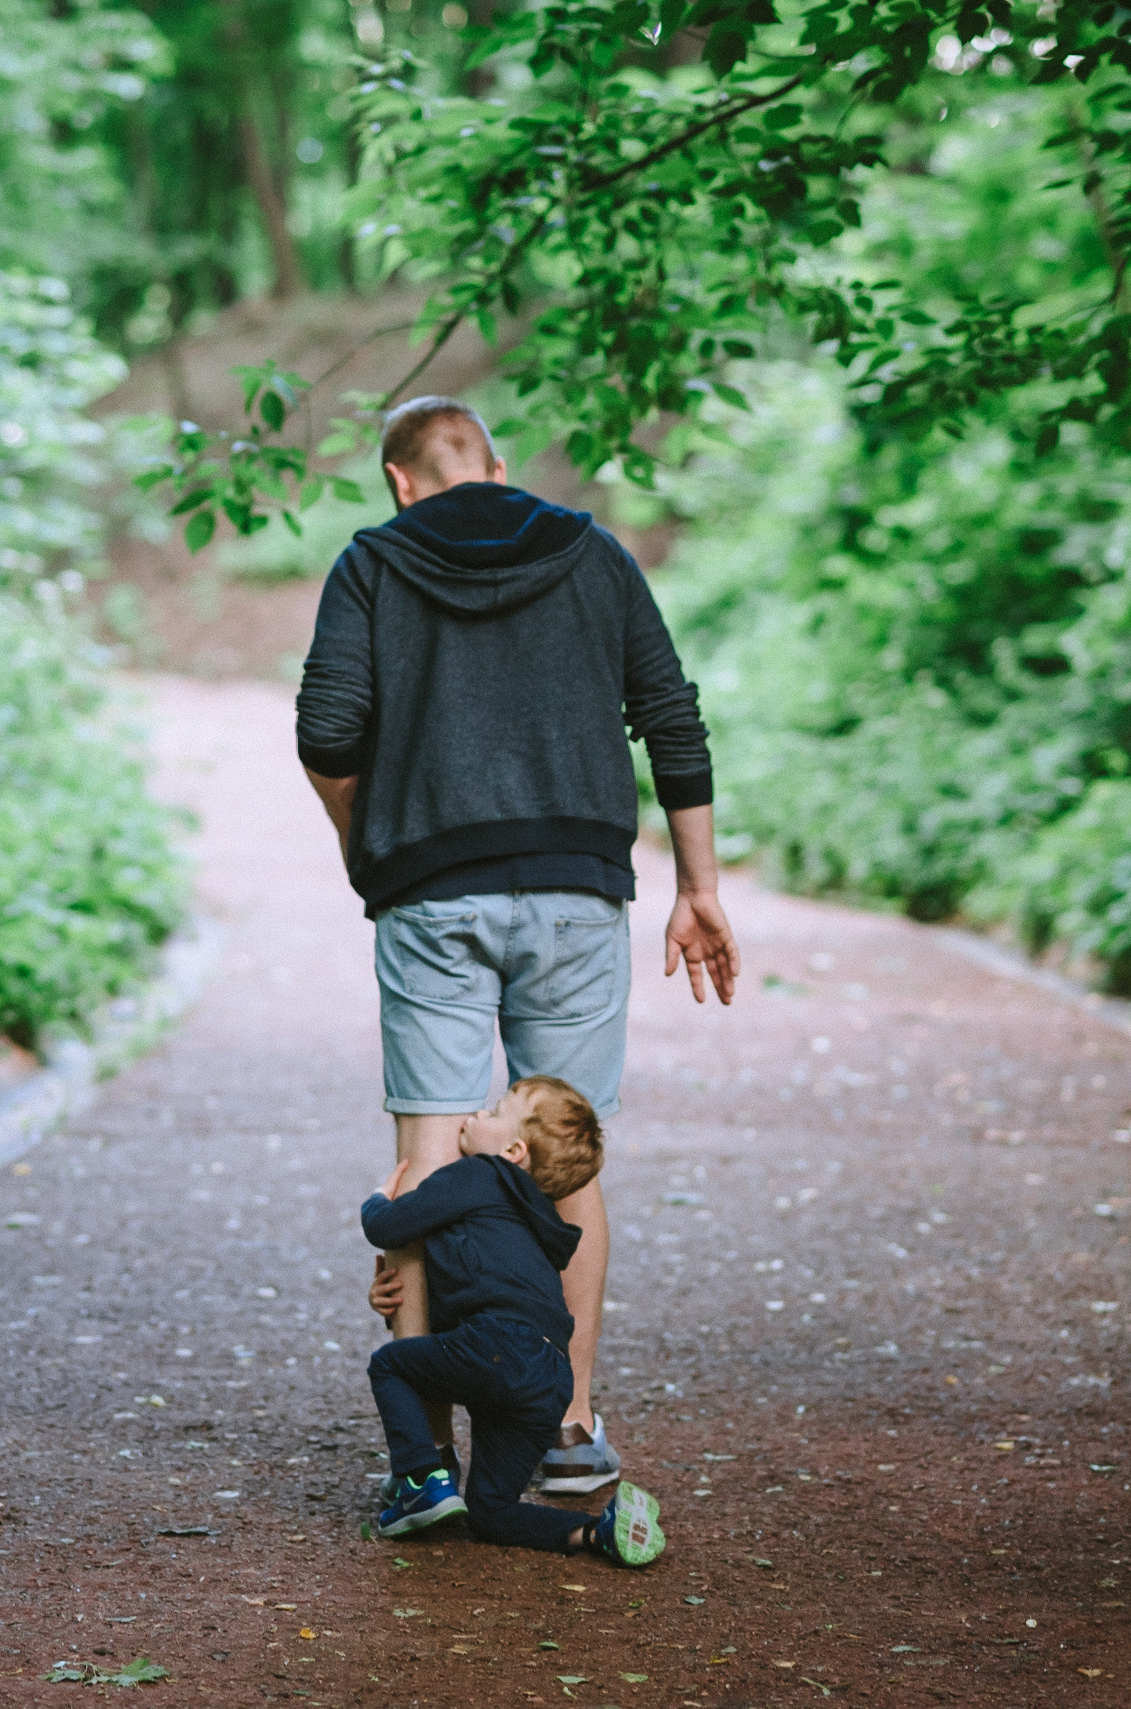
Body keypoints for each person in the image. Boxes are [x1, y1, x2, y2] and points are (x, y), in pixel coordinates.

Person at [297, 394, 740, 1490]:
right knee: (564, 1161)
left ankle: (427, 1465)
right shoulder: (594, 554)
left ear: (400, 480)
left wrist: (369, 848)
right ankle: (568, 1424)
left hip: (431, 898)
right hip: (578, 892)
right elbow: (671, 719)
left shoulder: (372, 562)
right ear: (494, 465)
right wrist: (699, 887)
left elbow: (324, 731)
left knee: (429, 1157)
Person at [360, 1076, 665, 1564]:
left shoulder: (481, 1175)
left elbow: (386, 1226)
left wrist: (378, 1198)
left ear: (513, 1149)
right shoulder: (539, 1224)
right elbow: (481, 1280)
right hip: (549, 1378)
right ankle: (596, 1533)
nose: (477, 1115)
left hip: (497, 1346)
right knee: (491, 1512)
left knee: (391, 1366)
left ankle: (420, 1480)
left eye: (495, 1111)